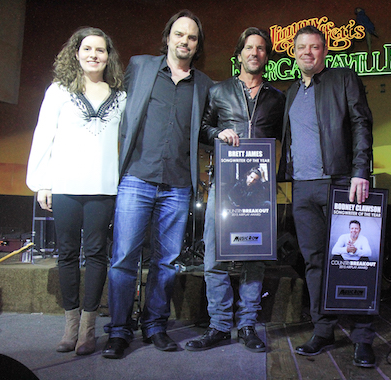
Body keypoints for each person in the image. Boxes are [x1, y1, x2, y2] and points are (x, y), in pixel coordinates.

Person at [101, 10, 214, 359]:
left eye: (192, 37)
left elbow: (205, 131)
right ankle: (119, 331)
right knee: (123, 259)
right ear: (167, 37)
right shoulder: (140, 67)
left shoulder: (205, 85)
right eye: (179, 34)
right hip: (136, 177)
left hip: (178, 185)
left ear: (197, 45)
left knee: (167, 263)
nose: (185, 41)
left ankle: (154, 326)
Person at [277, 25, 376, 367]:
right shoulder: (291, 92)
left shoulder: (343, 78)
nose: (308, 52)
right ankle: (323, 330)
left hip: (340, 182)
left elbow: (362, 123)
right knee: (316, 262)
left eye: (315, 46)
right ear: (293, 52)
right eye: (302, 47)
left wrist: (360, 171)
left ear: (325, 50)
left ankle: (363, 338)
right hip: (302, 188)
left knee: (353, 262)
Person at [26, 27, 126, 356]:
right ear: (76, 53)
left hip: (103, 187)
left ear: (108, 56)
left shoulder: (121, 96)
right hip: (66, 185)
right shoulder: (58, 91)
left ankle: (88, 330)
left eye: (100, 49)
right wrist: (42, 182)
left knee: (97, 255)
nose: (93, 55)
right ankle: (69, 328)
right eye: (87, 49)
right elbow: (44, 135)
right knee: (67, 254)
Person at [185, 27, 285, 353]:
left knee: (254, 258)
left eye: (260, 49)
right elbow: (200, 130)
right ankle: (218, 325)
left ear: (266, 56)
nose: (254, 53)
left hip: (261, 192)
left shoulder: (277, 97)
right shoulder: (218, 91)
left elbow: (289, 139)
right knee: (214, 255)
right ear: (239, 53)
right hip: (224, 187)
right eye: (249, 48)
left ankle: (247, 326)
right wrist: (219, 132)